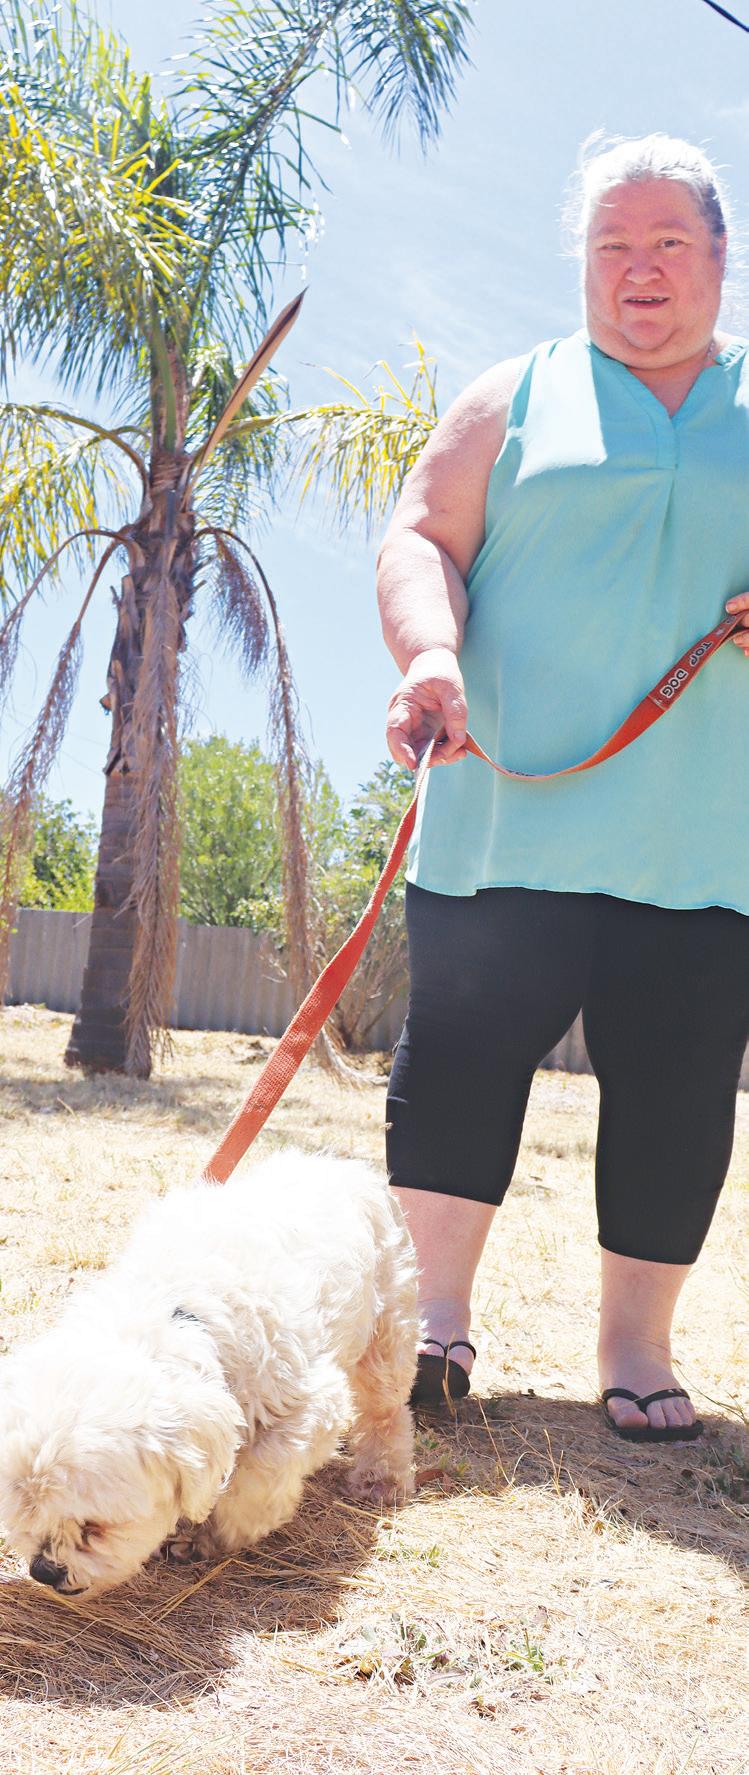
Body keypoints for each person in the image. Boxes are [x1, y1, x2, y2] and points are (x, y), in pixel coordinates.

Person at [377, 134, 749, 1441]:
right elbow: (421, 534)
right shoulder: (513, 394)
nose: (638, 268)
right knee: (461, 1062)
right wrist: (429, 653)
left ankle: (635, 1344)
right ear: (581, 263)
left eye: (667, 242)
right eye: (611, 244)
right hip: (503, 819)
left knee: (679, 1087)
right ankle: (431, 1323)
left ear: (718, 256)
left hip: (704, 840)